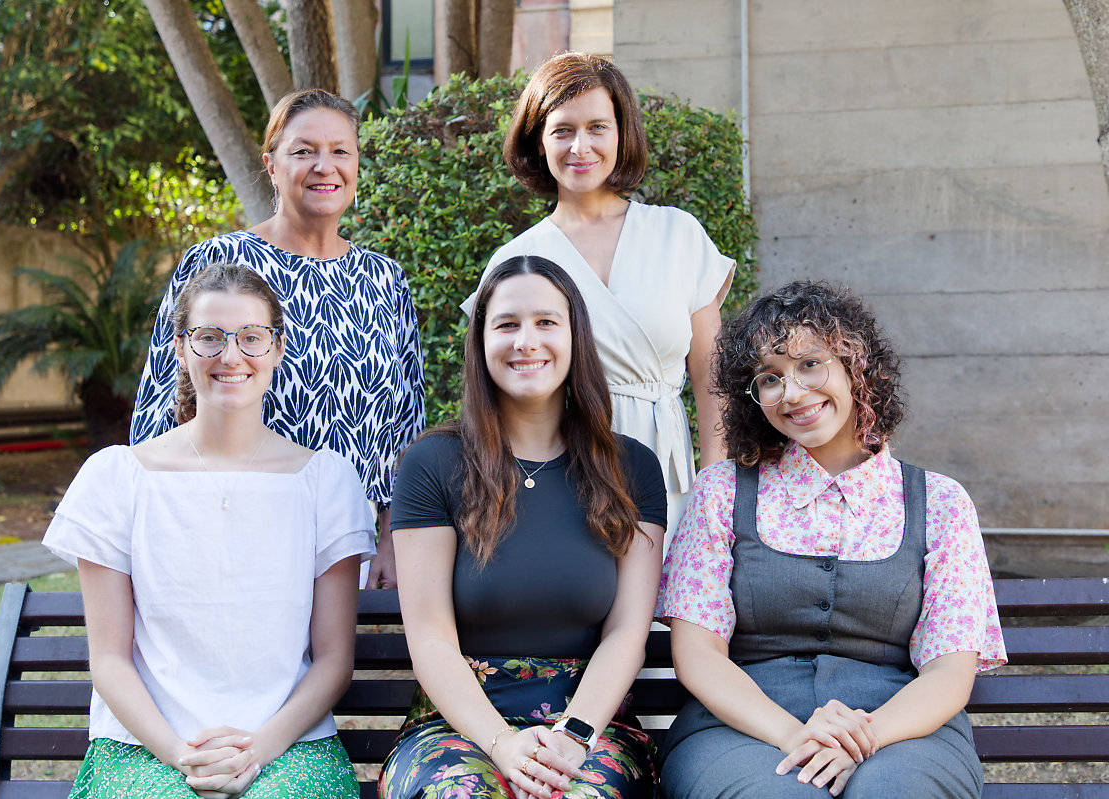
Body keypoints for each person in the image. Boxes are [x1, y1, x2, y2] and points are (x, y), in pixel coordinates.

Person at [656, 281, 1007, 798]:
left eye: (809, 364)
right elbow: (698, 651)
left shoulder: (940, 502)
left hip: (903, 731)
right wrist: (796, 736)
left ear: (854, 363)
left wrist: (859, 740)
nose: (792, 392)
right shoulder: (722, 491)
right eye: (769, 378)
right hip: (741, 729)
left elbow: (949, 669)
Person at [45, 263, 374, 798]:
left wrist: (256, 751)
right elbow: (109, 657)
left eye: (251, 337)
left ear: (277, 347)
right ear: (180, 347)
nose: (231, 355)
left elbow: (334, 659)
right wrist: (183, 755)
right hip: (142, 746)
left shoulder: (326, 483)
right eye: (209, 337)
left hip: (290, 746)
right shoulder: (117, 478)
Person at [380, 256, 667, 799]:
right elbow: (432, 639)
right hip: (458, 726)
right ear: (481, 342)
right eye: (507, 324)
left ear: (576, 338)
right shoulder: (432, 465)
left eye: (546, 323)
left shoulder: (631, 468)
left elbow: (628, 628)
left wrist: (574, 736)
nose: (526, 341)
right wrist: (500, 744)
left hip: (589, 724)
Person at [130, 89, 424, 588]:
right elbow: (160, 409)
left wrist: (393, 539)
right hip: (228, 533)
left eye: (340, 152)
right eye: (303, 151)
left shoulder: (385, 279)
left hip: (346, 543)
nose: (324, 166)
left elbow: (406, 425)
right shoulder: (218, 264)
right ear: (271, 164)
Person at [461, 51, 735, 541]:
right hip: (561, 474)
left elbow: (713, 380)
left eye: (597, 127)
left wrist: (716, 489)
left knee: (668, 611)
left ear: (621, 133)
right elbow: (492, 394)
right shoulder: (517, 258)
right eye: (562, 130)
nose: (580, 146)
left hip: (669, 474)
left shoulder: (678, 233)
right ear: (538, 141)